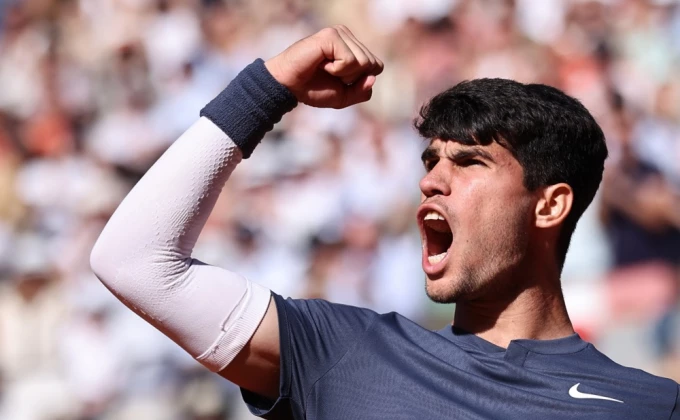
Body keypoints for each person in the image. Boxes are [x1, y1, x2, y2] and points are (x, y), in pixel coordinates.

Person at [90, 26, 679, 419]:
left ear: (549, 205)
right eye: (431, 161)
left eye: (469, 162)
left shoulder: (651, 405)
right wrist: (268, 88)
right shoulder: (345, 354)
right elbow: (134, 262)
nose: (432, 180)